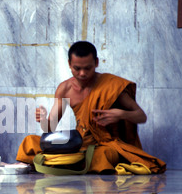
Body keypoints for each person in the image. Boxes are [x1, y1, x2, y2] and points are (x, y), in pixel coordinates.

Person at [16, 41, 166, 174]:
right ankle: (71, 163)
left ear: (96, 63)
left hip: (104, 144)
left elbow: (141, 116)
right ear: (69, 64)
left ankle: (64, 164)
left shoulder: (111, 85)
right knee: (30, 141)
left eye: (88, 68)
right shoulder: (65, 89)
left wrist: (120, 114)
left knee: (104, 156)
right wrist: (43, 120)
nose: (82, 74)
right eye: (77, 68)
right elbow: (50, 129)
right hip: (78, 143)